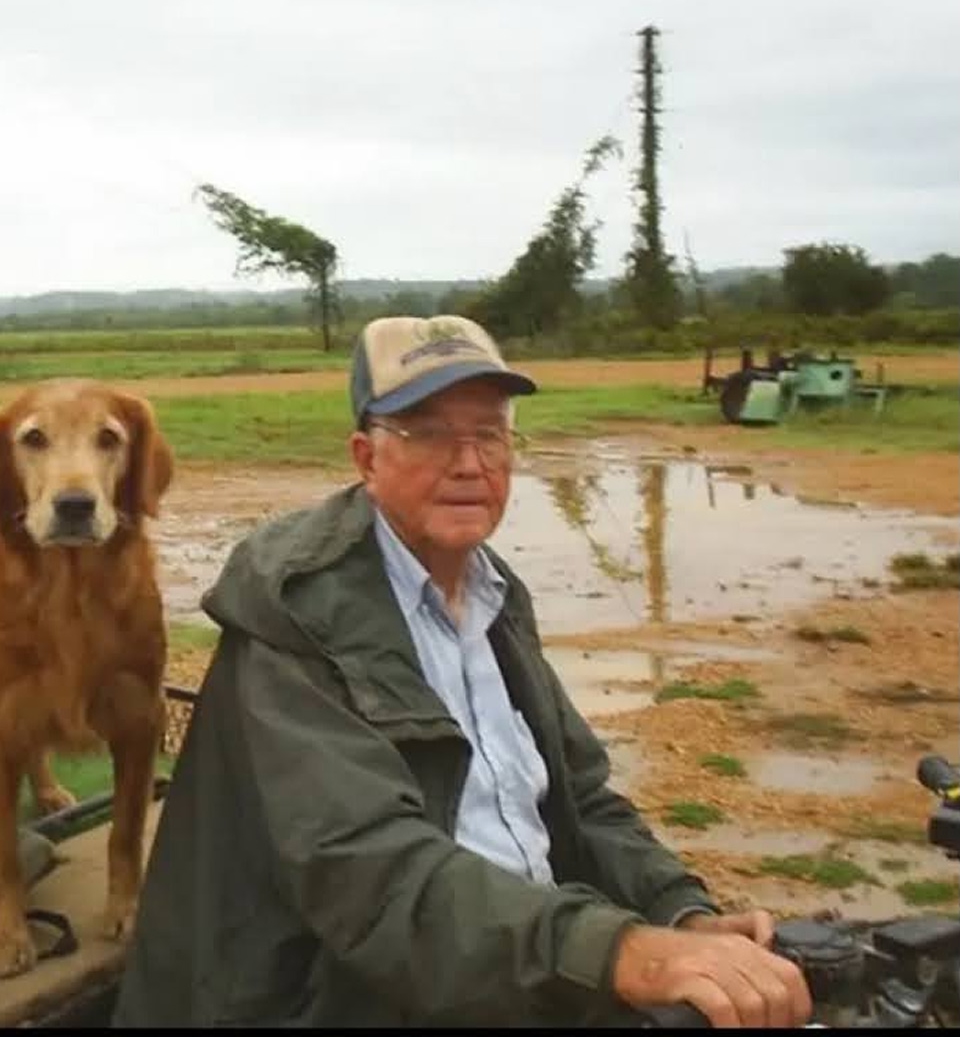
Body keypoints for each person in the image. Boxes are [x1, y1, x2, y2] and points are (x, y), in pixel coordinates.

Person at [113, 315, 813, 1029]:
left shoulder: (492, 592)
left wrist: (679, 913)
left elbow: (581, 799)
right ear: (366, 456)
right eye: (431, 433)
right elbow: (372, 874)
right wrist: (622, 954)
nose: (470, 463)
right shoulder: (299, 613)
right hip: (336, 996)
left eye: (490, 433)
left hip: (504, 968)